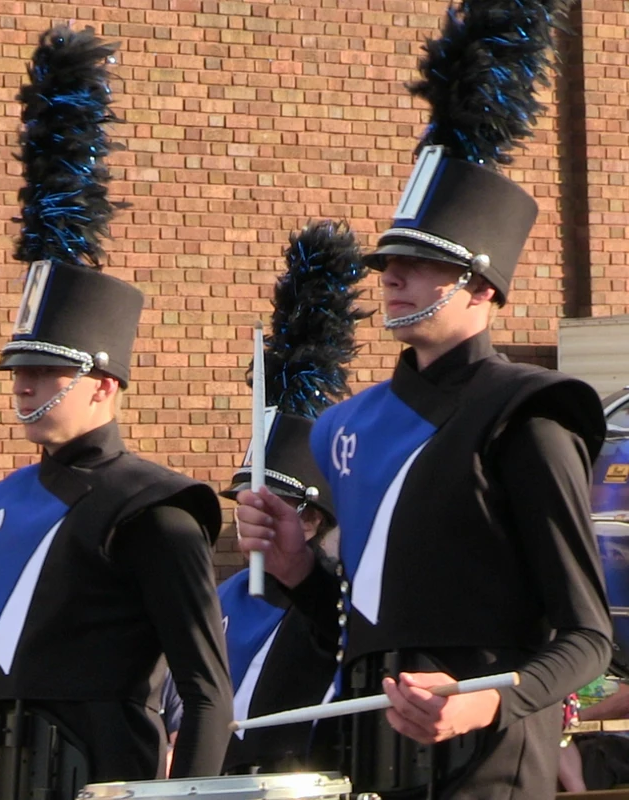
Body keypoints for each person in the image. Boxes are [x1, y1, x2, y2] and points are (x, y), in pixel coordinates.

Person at [236, 3, 612, 795]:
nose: (393, 278)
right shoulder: (346, 427)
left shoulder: (528, 411)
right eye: (388, 264)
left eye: (418, 263)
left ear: (480, 285)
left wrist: (480, 704)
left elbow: (586, 637)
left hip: (491, 760)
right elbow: (357, 625)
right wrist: (302, 572)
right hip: (370, 754)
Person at [0, 26, 232, 800]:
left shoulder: (154, 510)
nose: (24, 385)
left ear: (105, 384)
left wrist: (192, 797)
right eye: (20, 369)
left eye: (46, 370)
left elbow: (206, 687)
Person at [219, 219, 366, 775]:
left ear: (311, 519)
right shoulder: (222, 598)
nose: (249, 519)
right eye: (244, 504)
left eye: (272, 508)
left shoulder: (335, 599)